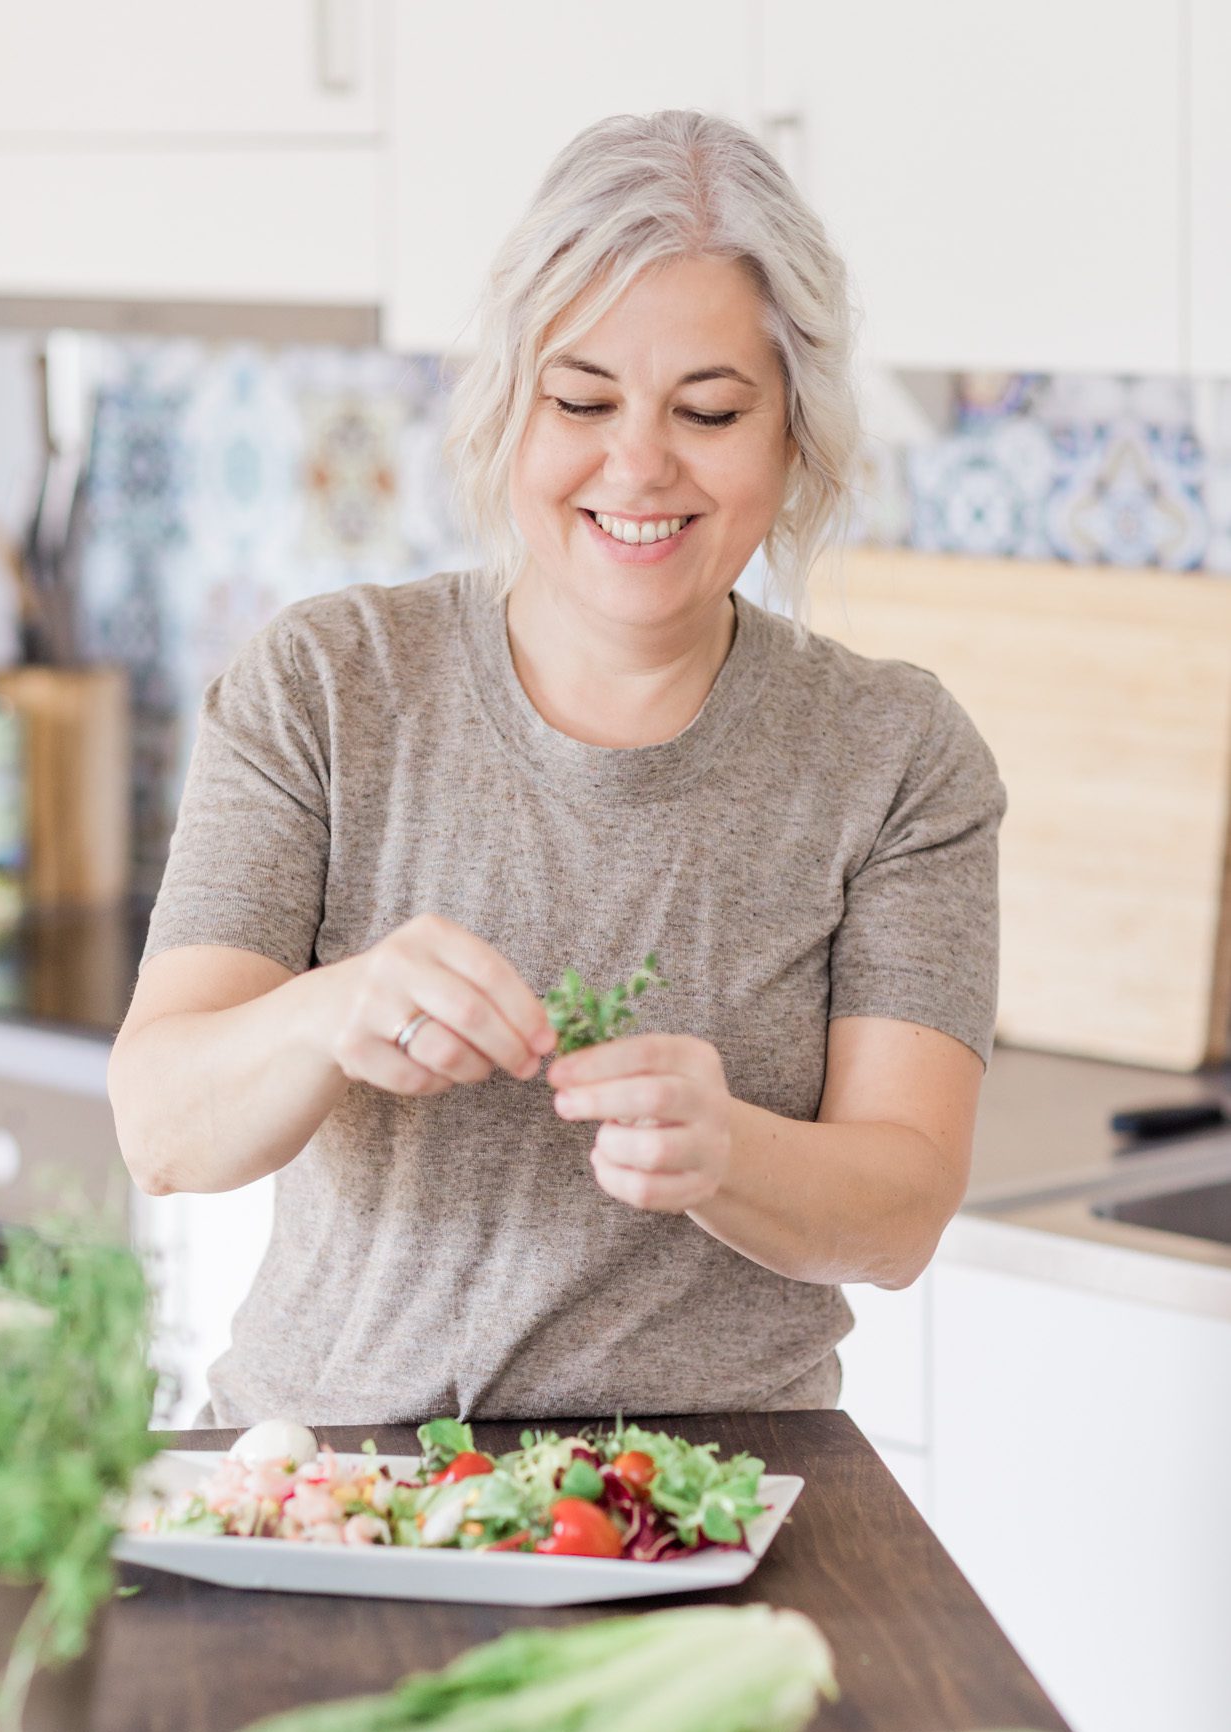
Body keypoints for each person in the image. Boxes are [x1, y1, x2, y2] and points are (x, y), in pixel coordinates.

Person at [109, 109, 1006, 1427]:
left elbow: (899, 1215)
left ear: (790, 437)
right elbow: (162, 1134)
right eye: (581, 400)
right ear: (507, 410)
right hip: (331, 1482)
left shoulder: (895, 757)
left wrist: (726, 1153)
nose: (635, 465)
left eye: (707, 410)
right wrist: (327, 1013)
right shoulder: (326, 684)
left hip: (712, 1498)